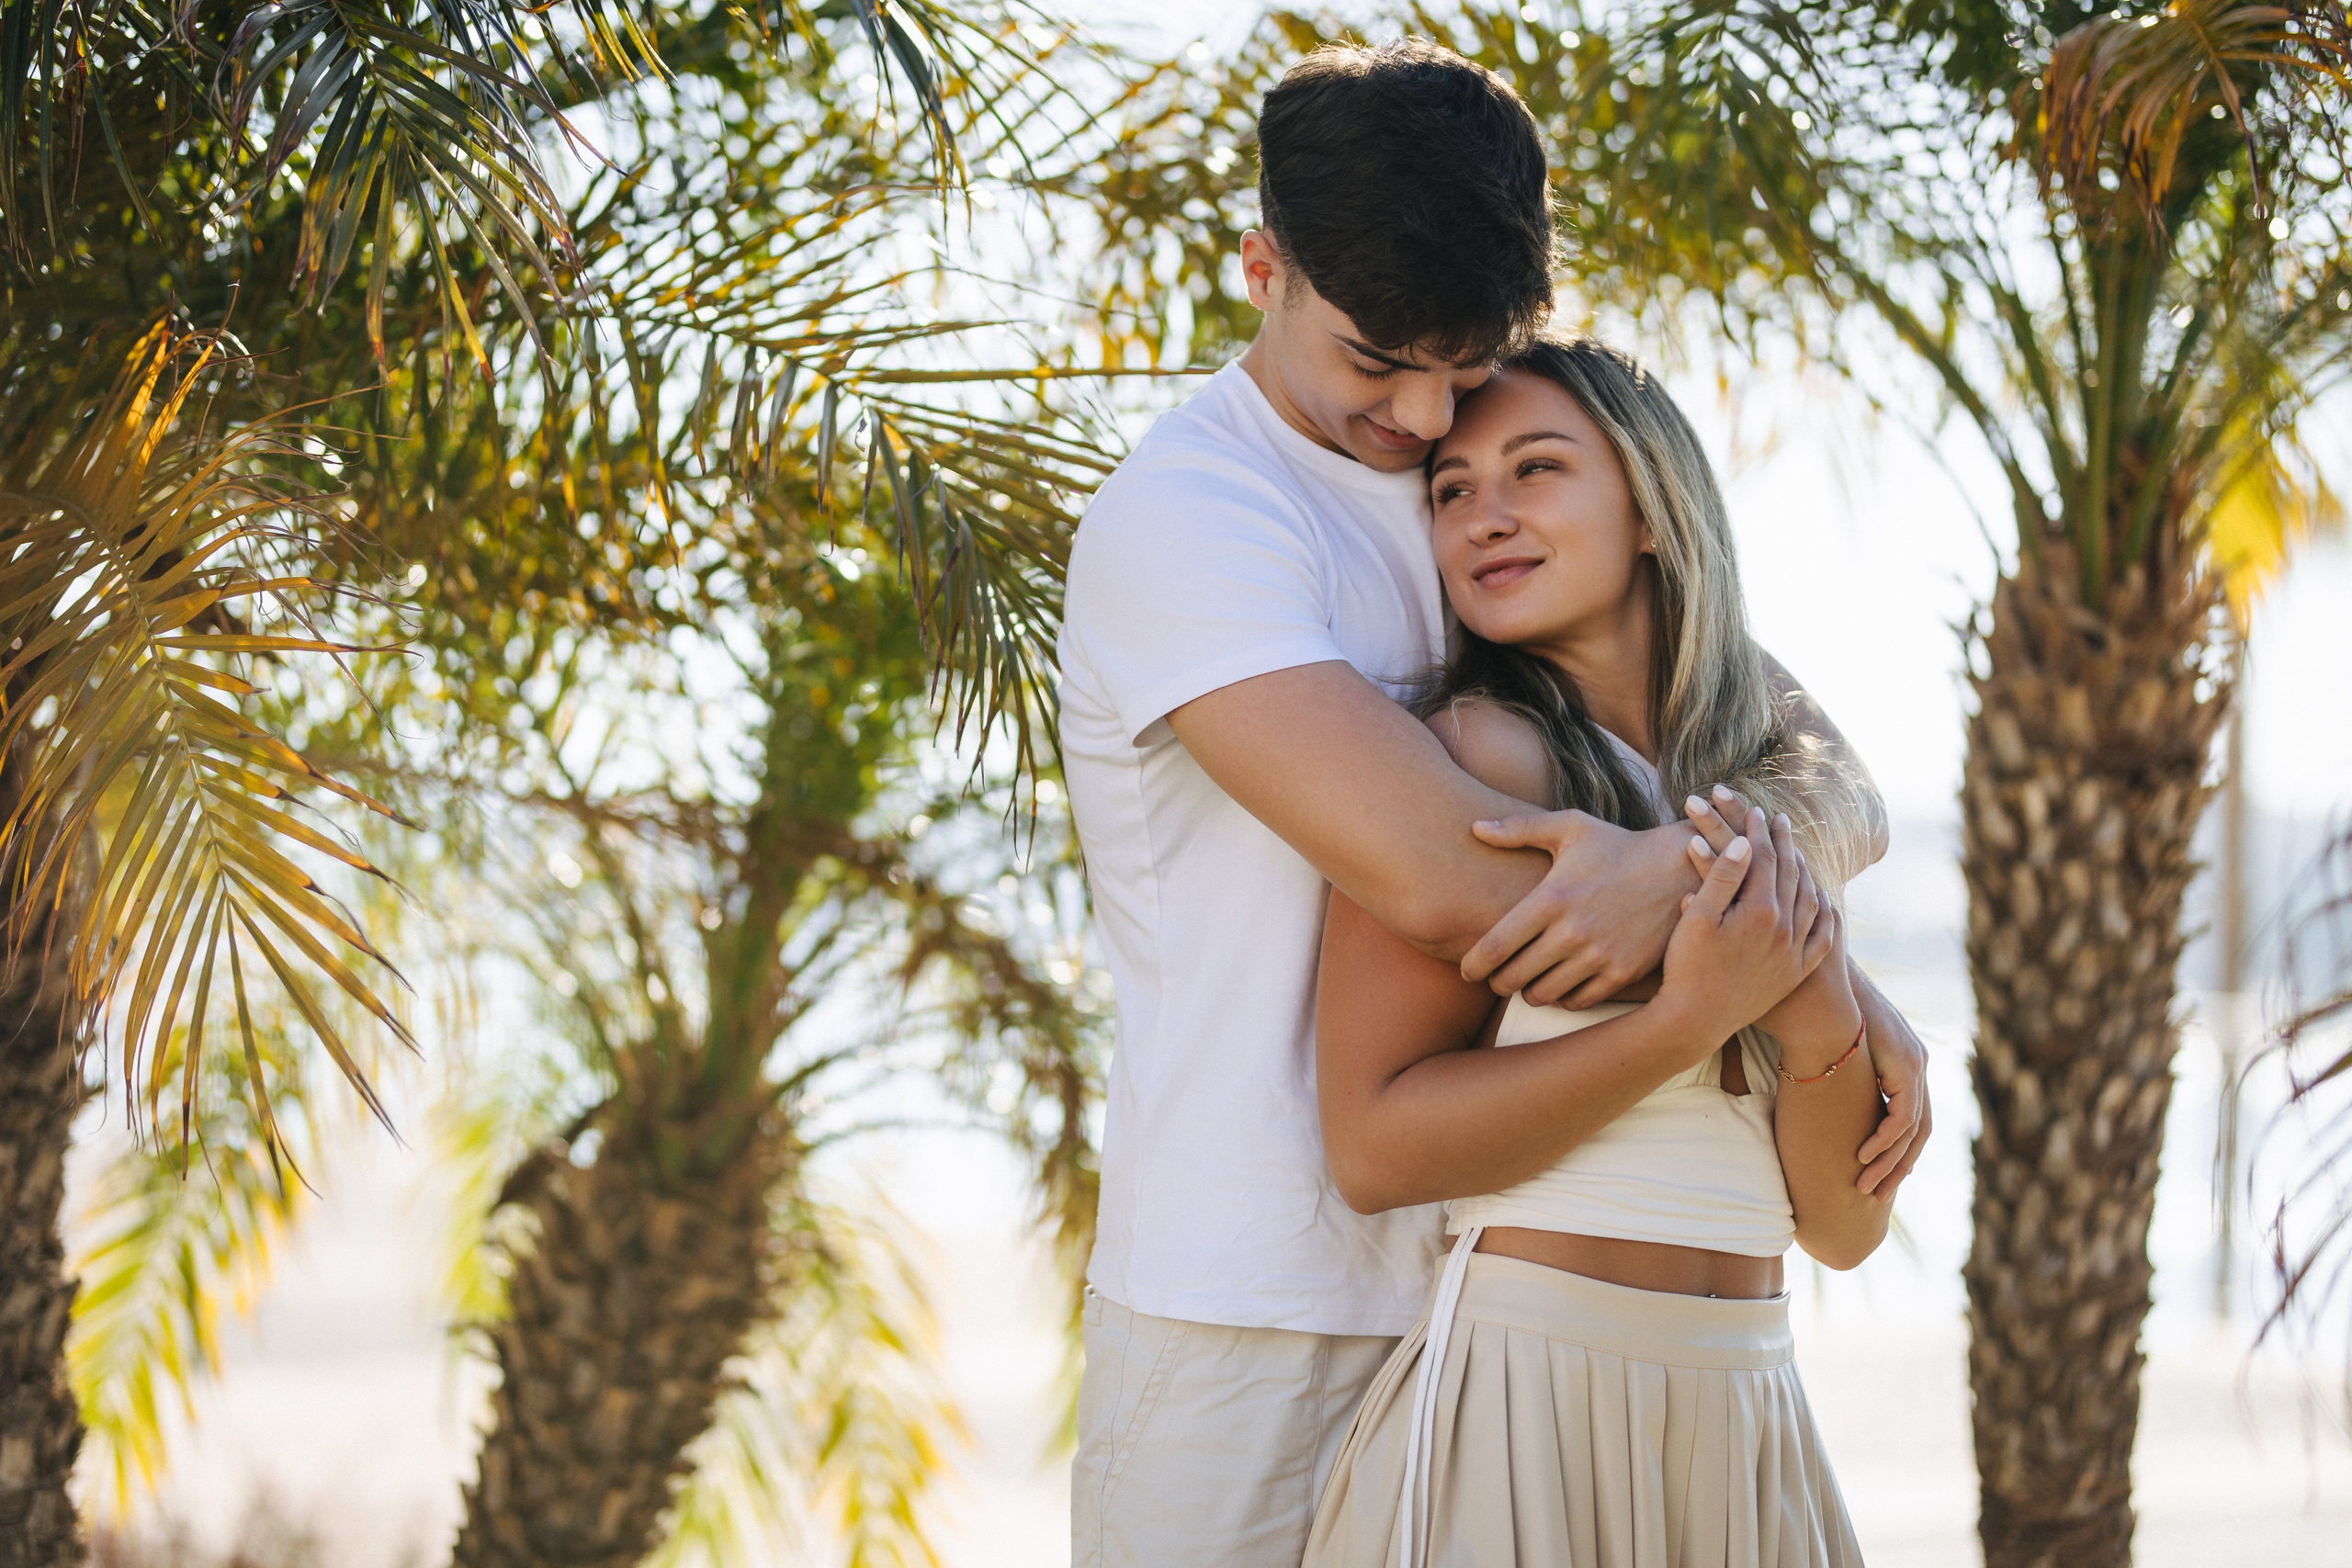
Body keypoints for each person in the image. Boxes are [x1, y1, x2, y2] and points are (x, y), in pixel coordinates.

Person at [1057, 39, 1928, 1568]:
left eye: (1458, 362)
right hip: (1254, 1304)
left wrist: (1813, 969)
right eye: (1376, 359)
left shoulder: (1478, 466)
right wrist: (1778, 951)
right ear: (1262, 269)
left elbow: (1809, 759)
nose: (1418, 418)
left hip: (1478, 1288)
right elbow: (1457, 883)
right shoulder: (1195, 520)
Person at [1304, 337, 1888, 1568]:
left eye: (1537, 470)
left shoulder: (1737, 803)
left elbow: (1839, 1228)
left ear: (1651, 512)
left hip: (1751, 1406)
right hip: (1530, 1404)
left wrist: (1824, 1007)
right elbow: (1373, 1144)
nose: (1485, 516)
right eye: (1452, 489)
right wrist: (1680, 1023)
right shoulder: (1478, 758)